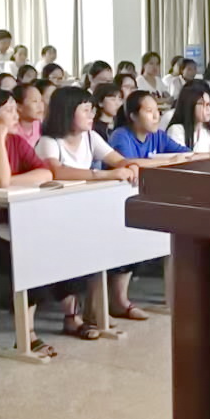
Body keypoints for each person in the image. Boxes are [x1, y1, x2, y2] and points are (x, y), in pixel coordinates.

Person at [0, 88, 83, 353]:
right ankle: (26, 334)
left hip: (14, 223)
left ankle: (72, 316)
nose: (15, 115)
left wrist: (12, 180)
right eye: (9, 110)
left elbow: (44, 173)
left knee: (60, 246)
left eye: (15, 109)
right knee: (26, 259)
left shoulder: (18, 142)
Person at [34, 86, 147, 327]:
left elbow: (117, 160)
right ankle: (74, 313)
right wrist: (102, 175)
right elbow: (57, 171)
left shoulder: (90, 137)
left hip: (83, 210)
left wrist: (131, 166)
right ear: (67, 112)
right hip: (52, 213)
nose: (91, 115)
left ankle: (103, 306)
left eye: (92, 110)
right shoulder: (48, 141)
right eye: (85, 110)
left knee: (124, 236)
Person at [109, 90, 192, 160]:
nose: (156, 116)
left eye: (157, 110)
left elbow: (187, 153)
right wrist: (169, 161)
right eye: (149, 111)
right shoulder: (120, 136)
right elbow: (128, 163)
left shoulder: (158, 136)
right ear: (134, 116)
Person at [15, 80, 47, 146]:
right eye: (34, 101)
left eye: (41, 100)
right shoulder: (11, 130)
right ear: (19, 106)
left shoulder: (42, 127)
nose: (40, 106)